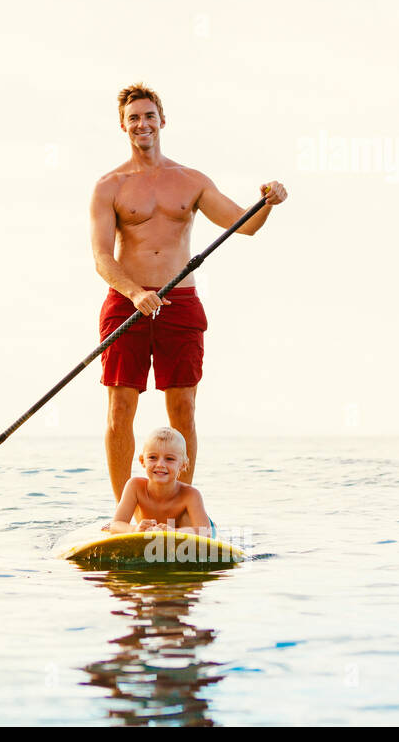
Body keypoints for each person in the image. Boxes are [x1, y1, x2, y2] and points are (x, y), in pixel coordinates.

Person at [90, 82, 286, 500]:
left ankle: (178, 506)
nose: (142, 124)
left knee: (183, 409)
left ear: (162, 120)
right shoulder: (110, 186)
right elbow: (102, 258)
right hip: (127, 302)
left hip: (180, 301)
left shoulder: (191, 181)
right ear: (122, 127)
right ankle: (123, 510)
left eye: (148, 116)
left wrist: (267, 202)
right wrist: (134, 292)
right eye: (133, 119)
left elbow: (244, 224)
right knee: (120, 410)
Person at [104, 427, 213, 535]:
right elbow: (115, 525)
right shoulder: (135, 487)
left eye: (169, 459)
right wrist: (133, 529)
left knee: (193, 522)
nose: (160, 464)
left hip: (195, 526)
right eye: (152, 457)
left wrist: (173, 532)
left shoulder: (191, 495)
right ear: (142, 461)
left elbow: (207, 532)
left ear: (183, 465)